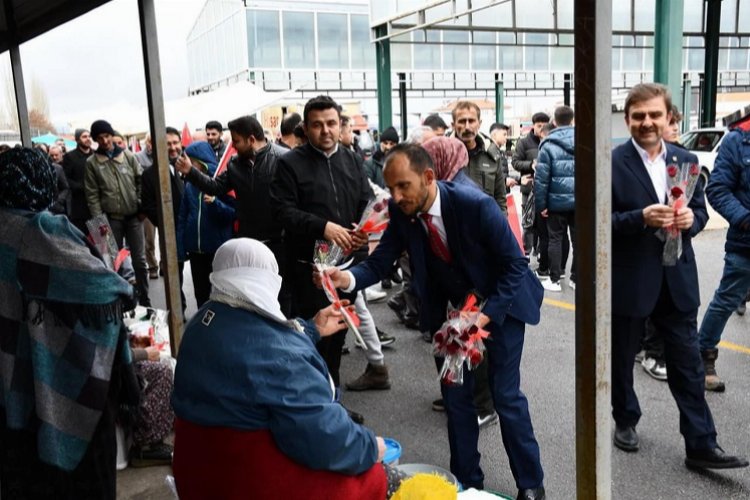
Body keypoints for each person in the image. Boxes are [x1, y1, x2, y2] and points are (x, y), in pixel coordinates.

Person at [321, 143, 546, 499]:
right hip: (453, 316)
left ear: (428, 177)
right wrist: (345, 279)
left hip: (501, 306)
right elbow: (380, 264)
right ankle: (468, 482)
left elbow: (516, 265)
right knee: (456, 399)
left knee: (505, 396)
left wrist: (483, 317)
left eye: (403, 186)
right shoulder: (402, 212)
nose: (395, 196)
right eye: (390, 188)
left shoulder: (475, 205)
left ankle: (531, 483)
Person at [171, 239, 391, 500]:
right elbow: (322, 438)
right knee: (375, 477)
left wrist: (311, 329)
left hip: (193, 470)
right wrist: (369, 447)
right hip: (241, 480)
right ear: (268, 280)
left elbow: (250, 350)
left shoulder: (202, 322)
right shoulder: (280, 357)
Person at [610, 83, 748, 471]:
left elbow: (700, 210)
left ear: (669, 117)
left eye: (655, 115)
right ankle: (625, 419)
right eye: (638, 116)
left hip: (677, 279)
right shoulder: (611, 163)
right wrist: (639, 218)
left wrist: (692, 220)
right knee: (622, 360)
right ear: (628, 120)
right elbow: (593, 223)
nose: (647, 122)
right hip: (631, 281)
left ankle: (701, 444)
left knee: (687, 365)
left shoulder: (685, 160)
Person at [0, 147, 137, 499]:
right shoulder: (41, 231)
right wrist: (114, 269)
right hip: (68, 382)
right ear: (42, 182)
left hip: (11, 385)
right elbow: (110, 290)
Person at [270, 95, 371, 423]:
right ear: (306, 128)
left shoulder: (353, 160)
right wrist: (323, 227)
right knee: (311, 338)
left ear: (341, 124)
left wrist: (362, 230)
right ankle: (312, 408)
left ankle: (333, 402)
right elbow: (282, 212)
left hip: (346, 268)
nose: (326, 131)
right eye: (317, 124)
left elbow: (364, 201)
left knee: (339, 335)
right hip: (307, 271)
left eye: (332, 123)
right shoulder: (289, 163)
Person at [175, 115, 289, 312]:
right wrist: (190, 172)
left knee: (281, 295)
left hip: (280, 242)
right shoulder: (235, 164)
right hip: (248, 242)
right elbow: (214, 186)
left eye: (236, 141)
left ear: (251, 139)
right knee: (252, 296)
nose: (233, 147)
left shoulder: (283, 158)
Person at [697, 120, 750, 392]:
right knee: (727, 299)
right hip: (745, 244)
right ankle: (704, 356)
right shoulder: (737, 142)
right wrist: (745, 219)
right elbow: (717, 189)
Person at [85, 119, 151, 307]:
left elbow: (141, 182)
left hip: (133, 217)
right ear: (95, 140)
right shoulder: (92, 163)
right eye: (100, 138)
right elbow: (92, 195)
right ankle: (120, 299)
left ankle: (145, 299)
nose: (105, 141)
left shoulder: (128, 157)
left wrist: (141, 207)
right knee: (111, 261)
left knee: (139, 260)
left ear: (112, 135)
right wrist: (99, 223)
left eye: (107, 136)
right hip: (109, 220)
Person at [177, 141, 236, 308]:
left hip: (217, 250)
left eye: (191, 160)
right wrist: (181, 247)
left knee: (219, 292)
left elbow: (232, 215)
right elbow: (182, 216)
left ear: (200, 161)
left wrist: (216, 203)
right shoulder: (189, 185)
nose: (187, 163)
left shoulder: (221, 181)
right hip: (196, 250)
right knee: (200, 292)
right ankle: (203, 323)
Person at [534, 105, 576, 292]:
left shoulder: (548, 144)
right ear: (573, 120)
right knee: (579, 240)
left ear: (554, 122)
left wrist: (541, 205)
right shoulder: (586, 140)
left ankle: (554, 279)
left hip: (556, 202)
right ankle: (577, 278)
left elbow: (541, 179)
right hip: (580, 203)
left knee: (555, 239)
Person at [448, 101, 507, 213]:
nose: (467, 127)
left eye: (471, 121)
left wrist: (501, 225)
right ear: (453, 125)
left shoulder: (492, 154)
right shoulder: (444, 154)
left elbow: (500, 198)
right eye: (461, 121)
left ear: (479, 123)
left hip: (485, 224)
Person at [513, 112, 550, 266]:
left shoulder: (550, 142)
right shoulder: (523, 143)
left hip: (546, 190)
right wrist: (530, 165)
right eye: (538, 125)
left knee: (544, 222)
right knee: (528, 222)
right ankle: (526, 252)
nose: (541, 128)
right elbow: (515, 162)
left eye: (544, 125)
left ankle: (541, 251)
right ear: (533, 126)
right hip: (528, 188)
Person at [134, 134, 159, 279]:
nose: (152, 145)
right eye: (150, 142)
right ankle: (152, 266)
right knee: (149, 239)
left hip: (163, 202)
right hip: (148, 203)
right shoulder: (138, 157)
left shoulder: (164, 156)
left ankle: (164, 264)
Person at [63, 128, 94, 232]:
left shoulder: (96, 155)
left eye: (89, 136)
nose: (88, 139)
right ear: (77, 140)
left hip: (97, 206)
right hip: (79, 207)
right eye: (84, 137)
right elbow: (66, 179)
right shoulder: (70, 157)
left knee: (102, 242)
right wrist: (81, 187)